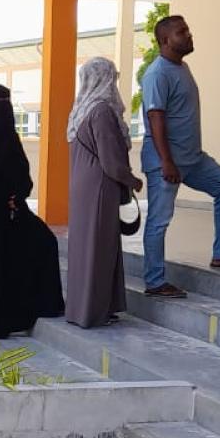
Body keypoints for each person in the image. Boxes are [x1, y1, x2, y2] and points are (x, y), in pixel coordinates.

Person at [139, 14, 220, 300]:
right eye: (182, 32)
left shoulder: (182, 67)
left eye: (188, 30)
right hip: (166, 161)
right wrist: (166, 161)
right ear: (166, 40)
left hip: (193, 159)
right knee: (159, 221)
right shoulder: (157, 74)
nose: (189, 35)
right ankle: (155, 282)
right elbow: (155, 117)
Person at [0, 84, 64, 340]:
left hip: (11, 212)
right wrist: (2, 196)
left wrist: (17, 195)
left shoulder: (6, 137)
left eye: (7, 101)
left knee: (43, 243)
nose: (4, 108)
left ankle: (12, 317)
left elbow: (21, 173)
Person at [67, 57, 142, 327]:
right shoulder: (101, 111)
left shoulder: (81, 110)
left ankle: (88, 308)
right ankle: (93, 313)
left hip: (83, 186)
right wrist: (132, 180)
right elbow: (111, 161)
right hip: (99, 186)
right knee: (99, 248)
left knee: (88, 248)